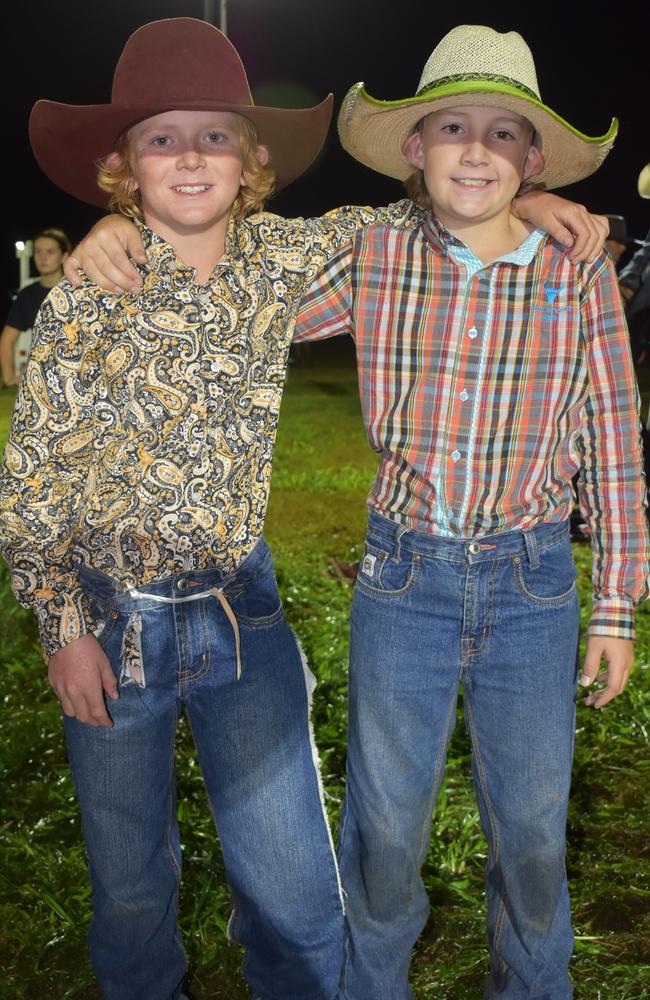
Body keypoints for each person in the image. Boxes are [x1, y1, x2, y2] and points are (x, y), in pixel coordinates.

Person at [40, 19, 609, 1000]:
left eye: (214, 134)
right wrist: (121, 229)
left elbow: (456, 228)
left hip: (338, 599)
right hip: (177, 602)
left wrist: (537, 199)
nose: (189, 156)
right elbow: (46, 472)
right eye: (160, 138)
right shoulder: (107, 292)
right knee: (167, 870)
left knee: (405, 868)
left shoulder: (546, 267)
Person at [293, 25, 650, 1000]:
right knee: (385, 823)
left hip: (531, 584)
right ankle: (370, 983)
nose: (476, 150)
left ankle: (532, 983)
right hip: (402, 579)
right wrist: (134, 242)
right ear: (414, 147)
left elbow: (611, 441)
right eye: (451, 126)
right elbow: (245, 295)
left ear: (532, 158)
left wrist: (613, 603)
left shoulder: (572, 270)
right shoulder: (373, 251)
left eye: (504, 134)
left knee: (531, 827)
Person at [0, 227, 71, 384]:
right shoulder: (27, 295)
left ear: (64, 256)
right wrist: (9, 376)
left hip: (77, 378)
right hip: (41, 381)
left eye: (50, 251)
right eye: (38, 251)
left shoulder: (77, 289)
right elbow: (8, 337)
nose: (42, 257)